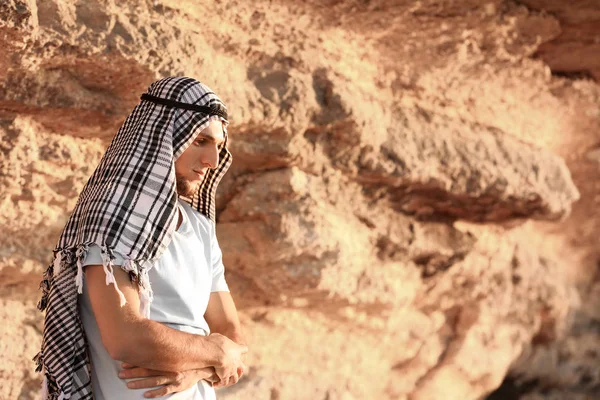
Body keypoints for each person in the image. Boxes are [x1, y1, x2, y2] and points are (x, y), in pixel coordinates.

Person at [33, 76, 248, 400]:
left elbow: (232, 335)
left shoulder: (199, 228)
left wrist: (193, 369)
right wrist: (214, 353)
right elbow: (126, 337)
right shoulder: (109, 221)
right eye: (200, 141)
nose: (212, 161)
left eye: (218, 147)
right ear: (165, 137)